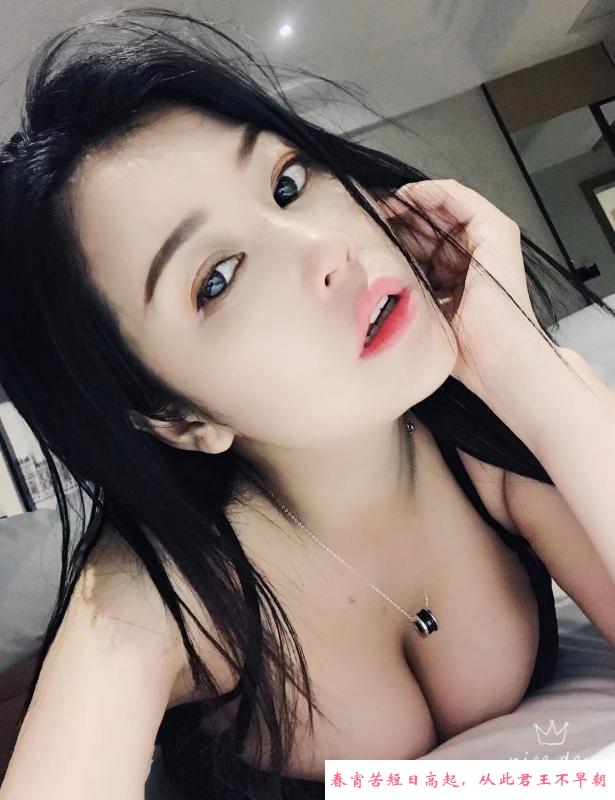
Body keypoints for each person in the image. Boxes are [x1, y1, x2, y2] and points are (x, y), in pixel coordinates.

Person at [0, 7, 613, 800]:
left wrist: (524, 365)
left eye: (287, 183)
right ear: (177, 418)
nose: (328, 248)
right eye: (217, 278)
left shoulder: (484, 441)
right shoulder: (165, 590)